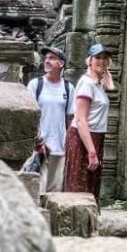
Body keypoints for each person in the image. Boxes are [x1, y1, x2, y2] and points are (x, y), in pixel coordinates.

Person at [64, 43, 114, 200]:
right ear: (89, 61)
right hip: (83, 139)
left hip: (95, 138)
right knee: (79, 187)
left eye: (105, 58)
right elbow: (80, 121)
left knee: (90, 186)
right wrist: (92, 152)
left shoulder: (96, 84)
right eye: (98, 58)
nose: (102, 61)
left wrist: (105, 77)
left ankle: (88, 222)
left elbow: (111, 87)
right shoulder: (86, 83)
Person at [27, 46, 75, 194]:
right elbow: (29, 115)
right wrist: (37, 140)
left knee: (55, 190)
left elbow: (70, 117)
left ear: (61, 64)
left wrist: (69, 142)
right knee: (37, 189)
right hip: (38, 146)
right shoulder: (36, 84)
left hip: (59, 146)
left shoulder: (68, 88)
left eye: (52, 58)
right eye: (46, 58)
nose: (47, 61)